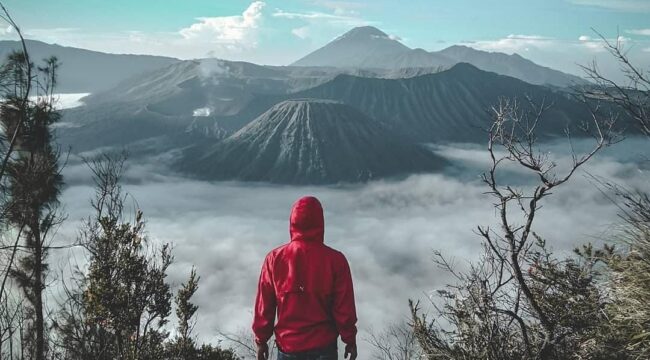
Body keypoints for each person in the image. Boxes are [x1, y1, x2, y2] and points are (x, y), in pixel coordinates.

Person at [253, 196, 358, 360]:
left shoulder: (274, 259)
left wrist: (261, 340)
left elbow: (264, 307)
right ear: (321, 223)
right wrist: (350, 340)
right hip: (325, 349)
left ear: (292, 223)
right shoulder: (336, 261)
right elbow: (344, 309)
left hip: (288, 349)